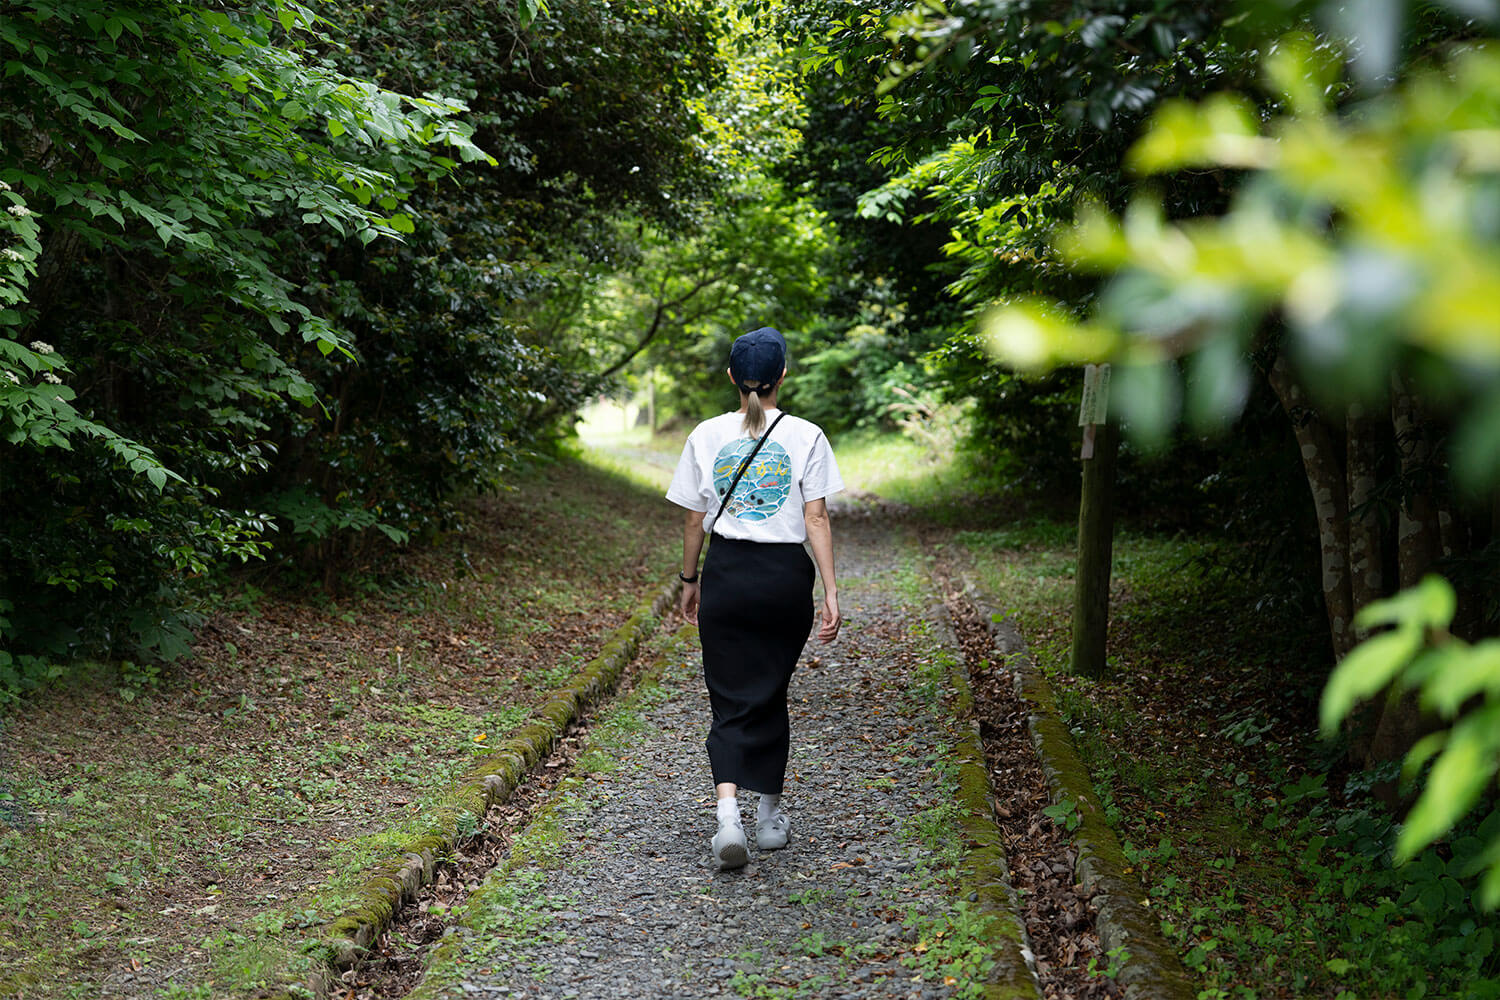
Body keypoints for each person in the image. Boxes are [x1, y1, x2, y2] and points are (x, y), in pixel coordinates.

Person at [665, 326, 843, 870]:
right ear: (782, 375)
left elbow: (695, 518)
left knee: (728, 697)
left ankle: (727, 821)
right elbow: (816, 517)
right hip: (785, 578)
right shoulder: (808, 435)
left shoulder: (705, 434)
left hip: (727, 573)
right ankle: (768, 821)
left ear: (731, 377)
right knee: (770, 690)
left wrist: (690, 579)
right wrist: (831, 589)